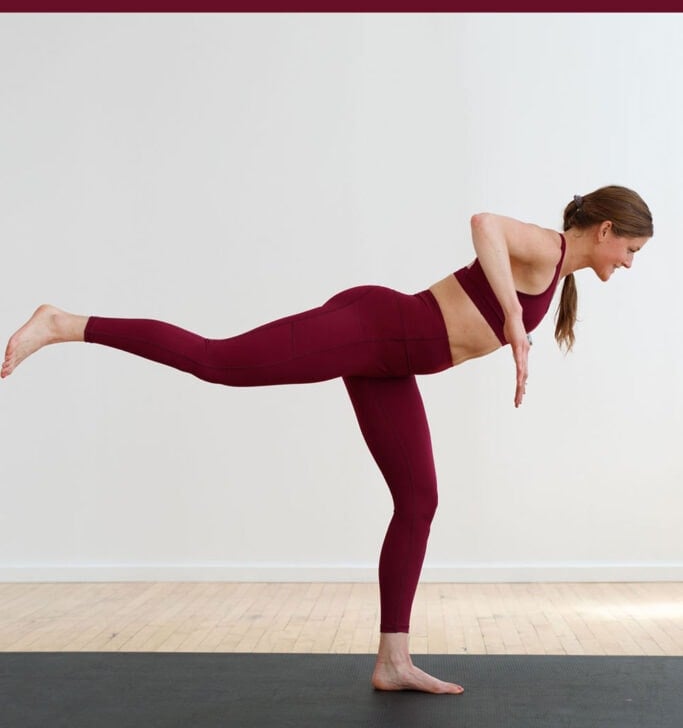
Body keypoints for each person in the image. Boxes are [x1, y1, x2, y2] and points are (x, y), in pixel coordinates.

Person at [1, 186, 653, 695]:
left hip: (389, 361)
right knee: (218, 362)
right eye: (630, 250)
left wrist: (514, 321)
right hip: (373, 329)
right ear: (605, 232)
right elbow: (482, 221)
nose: (627, 263)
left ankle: (393, 660)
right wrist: (512, 318)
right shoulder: (543, 246)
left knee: (418, 501)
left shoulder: (557, 270)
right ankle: (65, 323)